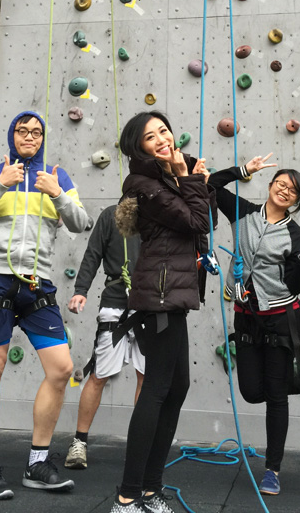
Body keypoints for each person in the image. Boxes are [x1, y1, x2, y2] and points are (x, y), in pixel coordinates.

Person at [0, 110, 88, 500]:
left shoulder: (57, 176)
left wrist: (57, 193)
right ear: (12, 135)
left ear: (43, 138)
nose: (29, 136)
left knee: (61, 369)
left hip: (38, 284)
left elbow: (80, 222)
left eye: (36, 132)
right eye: (22, 130)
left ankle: (37, 462)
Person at [209, 154, 300, 496]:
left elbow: (293, 285)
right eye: (281, 184)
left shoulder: (293, 232)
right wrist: (243, 170)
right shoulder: (242, 212)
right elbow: (211, 185)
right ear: (271, 185)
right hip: (245, 316)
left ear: (297, 201)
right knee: (251, 392)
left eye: (293, 190)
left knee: (275, 397)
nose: (285, 190)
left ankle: (272, 470)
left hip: (279, 319)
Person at [109, 111, 216, 513]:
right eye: (151, 136)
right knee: (156, 388)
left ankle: (150, 490)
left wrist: (196, 180)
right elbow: (194, 220)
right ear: (138, 148)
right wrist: (188, 178)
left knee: (177, 387)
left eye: (164, 131)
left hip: (171, 295)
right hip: (159, 296)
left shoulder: (169, 178)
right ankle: (127, 496)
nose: (162, 139)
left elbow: (205, 220)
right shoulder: (143, 184)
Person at [64, 205, 144, 470]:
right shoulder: (111, 215)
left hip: (148, 303)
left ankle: (140, 445)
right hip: (115, 302)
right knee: (99, 375)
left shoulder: (158, 211)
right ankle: (79, 442)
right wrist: (81, 289)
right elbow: (93, 252)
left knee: (146, 377)